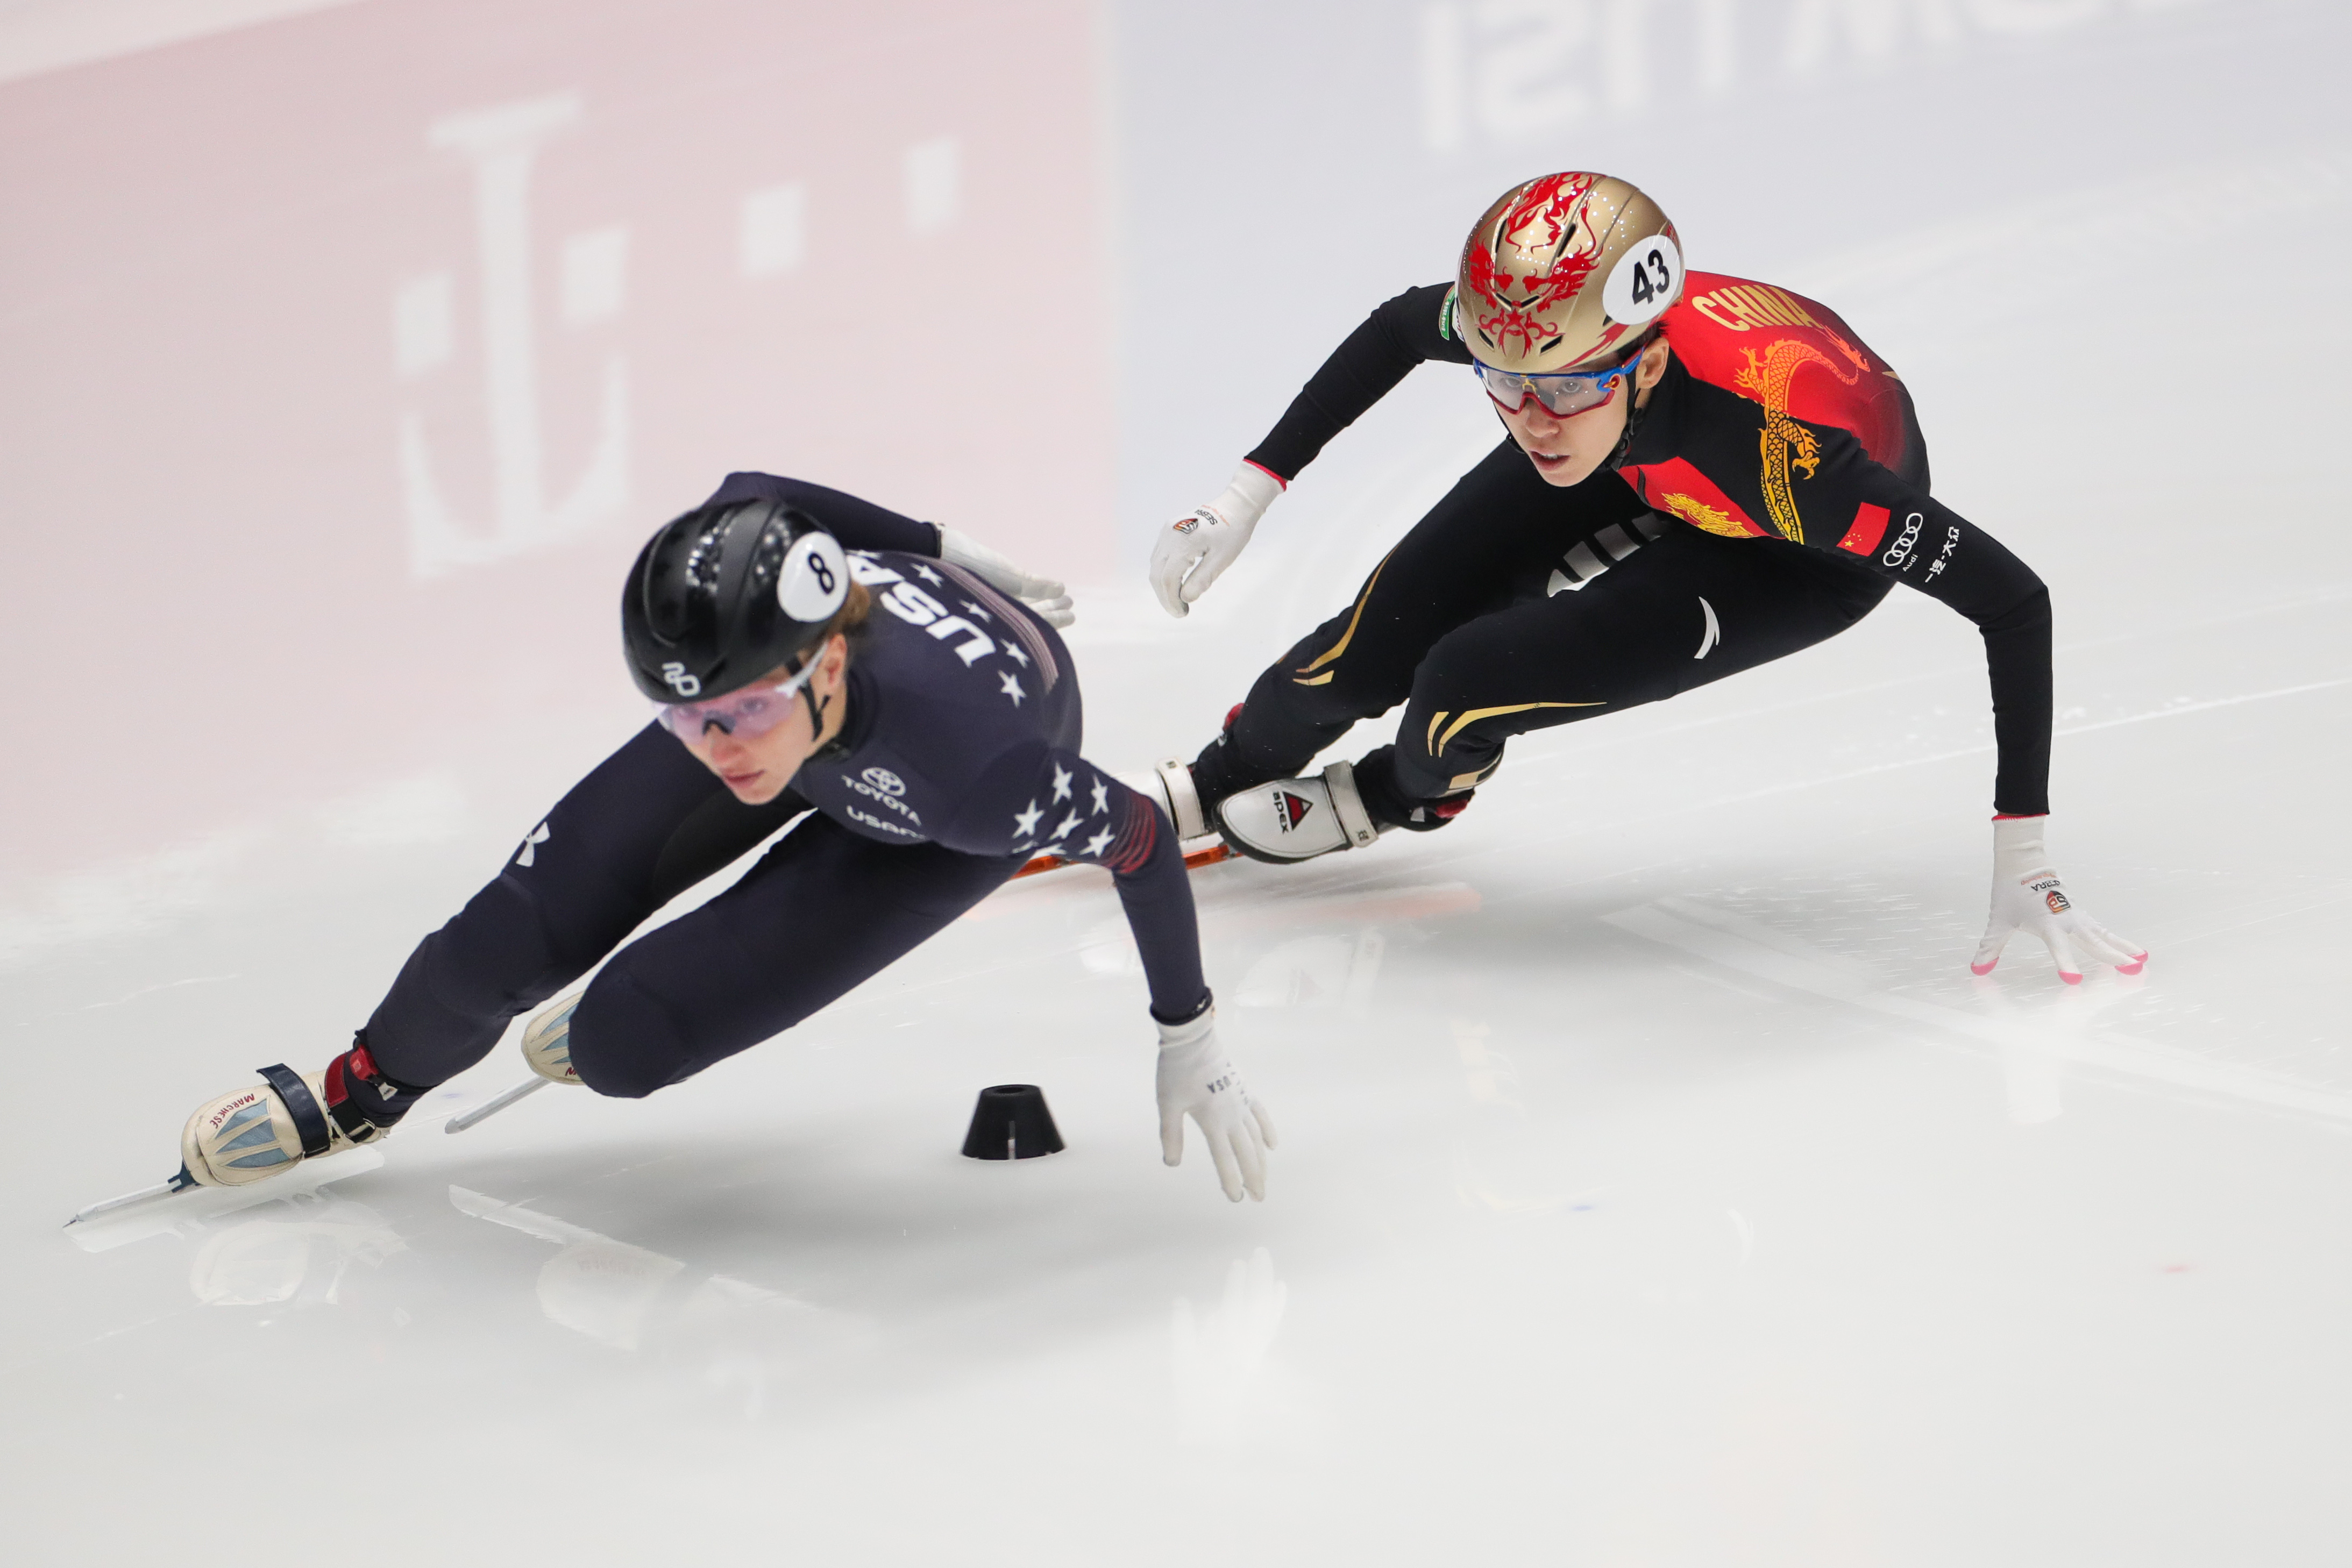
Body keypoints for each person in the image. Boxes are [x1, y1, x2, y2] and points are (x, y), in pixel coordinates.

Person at [1139, 171, 2142, 984]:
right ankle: (1215, 777)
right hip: (1637, 449)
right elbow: (1399, 332)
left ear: (1646, 363)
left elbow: (2015, 601)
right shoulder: (1547, 334)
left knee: (1458, 685)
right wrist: (1244, 494)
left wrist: (2026, 847)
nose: (1531, 420)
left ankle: (1393, 799)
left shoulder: (1791, 470)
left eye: (1563, 387)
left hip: (1783, 550)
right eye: (1501, 383)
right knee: (1364, 648)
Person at [176, 474, 1277, 1205]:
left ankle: (618, 1011)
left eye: (738, 714)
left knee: (624, 1045)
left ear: (830, 664)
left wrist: (1190, 1028)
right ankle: (356, 1091)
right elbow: (753, 493)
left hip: (930, 808)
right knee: (499, 946)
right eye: (683, 719)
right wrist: (937, 544)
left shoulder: (983, 779)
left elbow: (1135, 834)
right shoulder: (742, 696)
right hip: (854, 727)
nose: (716, 749)